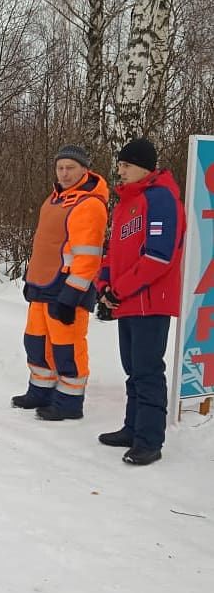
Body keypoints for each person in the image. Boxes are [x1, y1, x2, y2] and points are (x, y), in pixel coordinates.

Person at [97, 138, 186, 466]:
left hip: (150, 300)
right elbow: (113, 251)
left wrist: (120, 290)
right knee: (132, 369)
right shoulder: (125, 202)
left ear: (145, 167)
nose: (120, 171)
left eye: (127, 165)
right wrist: (104, 285)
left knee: (148, 370)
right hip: (126, 299)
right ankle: (132, 428)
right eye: (119, 165)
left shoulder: (161, 198)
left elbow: (158, 257)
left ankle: (149, 440)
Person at [12, 145, 108, 419]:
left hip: (67, 288)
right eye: (60, 168)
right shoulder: (53, 199)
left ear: (84, 170)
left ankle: (68, 401)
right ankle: (40, 390)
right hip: (42, 285)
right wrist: (31, 279)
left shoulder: (89, 204)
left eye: (71, 168)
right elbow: (46, 244)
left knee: (68, 347)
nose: (64, 174)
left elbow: (88, 255)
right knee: (36, 342)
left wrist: (73, 293)